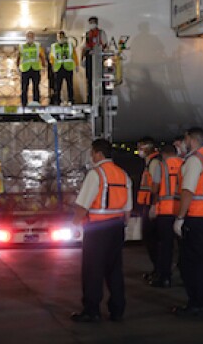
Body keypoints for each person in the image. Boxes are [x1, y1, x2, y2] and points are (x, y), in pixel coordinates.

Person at [69, 138, 132, 323]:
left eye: (92, 153)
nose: (91, 156)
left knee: (92, 271)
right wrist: (123, 226)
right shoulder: (123, 175)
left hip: (97, 230)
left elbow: (83, 204)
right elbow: (127, 208)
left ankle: (92, 310)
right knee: (114, 270)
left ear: (98, 153)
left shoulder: (96, 174)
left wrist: (74, 224)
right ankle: (117, 310)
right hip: (117, 227)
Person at [171, 127, 203, 317]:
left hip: (195, 217)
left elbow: (188, 191)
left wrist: (180, 218)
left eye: (184, 139)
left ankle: (197, 303)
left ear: (191, 139)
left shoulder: (194, 161)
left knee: (191, 264)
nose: (182, 144)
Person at [149, 143, 183, 288]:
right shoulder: (185, 164)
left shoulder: (161, 166)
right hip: (182, 210)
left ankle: (165, 277)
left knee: (166, 247)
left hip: (165, 212)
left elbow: (155, 188)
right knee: (184, 246)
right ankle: (186, 275)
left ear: (163, 154)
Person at [135, 137, 162, 282]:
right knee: (151, 240)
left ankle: (160, 271)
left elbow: (156, 187)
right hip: (148, 203)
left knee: (152, 240)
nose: (139, 150)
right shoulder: (150, 162)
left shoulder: (154, 162)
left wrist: (153, 205)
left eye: (141, 146)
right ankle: (157, 270)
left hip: (152, 204)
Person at [16, 30, 47, 107]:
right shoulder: (22, 46)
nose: (30, 38)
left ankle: (36, 102)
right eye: (28, 36)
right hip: (25, 69)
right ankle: (24, 103)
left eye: (32, 36)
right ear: (26, 37)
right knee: (24, 87)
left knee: (36, 86)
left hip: (35, 69)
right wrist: (17, 66)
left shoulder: (37, 46)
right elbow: (18, 57)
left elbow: (41, 56)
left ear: (34, 37)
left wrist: (43, 67)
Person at [81, 16, 108, 105]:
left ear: (96, 23)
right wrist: (82, 59)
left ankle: (102, 98)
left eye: (93, 22)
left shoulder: (101, 33)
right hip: (89, 57)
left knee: (100, 78)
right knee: (89, 79)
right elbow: (84, 47)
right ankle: (90, 99)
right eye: (91, 22)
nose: (92, 24)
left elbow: (105, 45)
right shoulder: (87, 34)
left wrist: (104, 56)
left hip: (98, 57)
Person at [49, 30, 79, 105]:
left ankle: (71, 100)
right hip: (58, 68)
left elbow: (74, 56)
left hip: (68, 68)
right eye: (59, 37)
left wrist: (77, 65)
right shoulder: (54, 46)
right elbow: (51, 57)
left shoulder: (70, 45)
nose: (60, 38)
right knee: (57, 86)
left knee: (70, 85)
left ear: (64, 37)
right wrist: (52, 65)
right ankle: (57, 101)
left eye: (62, 36)